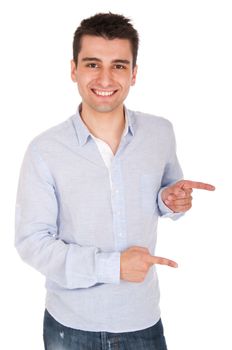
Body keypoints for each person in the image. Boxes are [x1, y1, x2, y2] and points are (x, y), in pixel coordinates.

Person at [15, 12, 215, 350]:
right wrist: (114, 266)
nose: (105, 78)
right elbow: (32, 242)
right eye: (93, 64)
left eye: (119, 66)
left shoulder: (160, 132)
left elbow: (165, 194)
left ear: (134, 73)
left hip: (142, 320)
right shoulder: (44, 150)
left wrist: (170, 200)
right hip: (71, 327)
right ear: (73, 70)